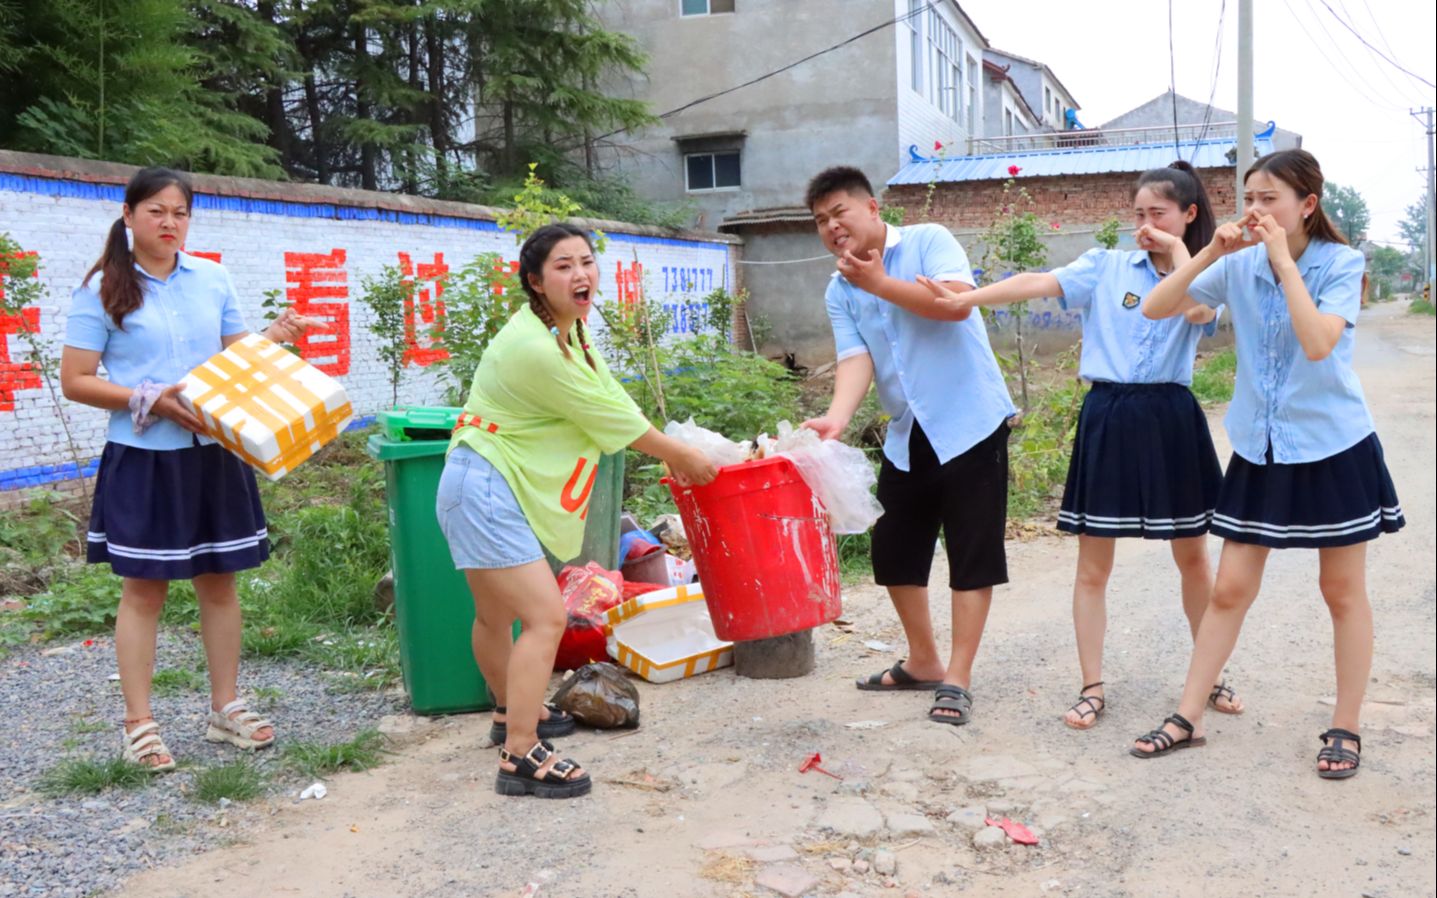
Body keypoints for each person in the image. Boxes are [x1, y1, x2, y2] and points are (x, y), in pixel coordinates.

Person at [919, 161, 1244, 729]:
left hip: (1171, 415)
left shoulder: (1207, 273)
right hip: (1109, 414)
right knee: (1093, 565)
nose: (1144, 223)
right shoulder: (1107, 265)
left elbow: (1197, 310)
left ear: (1189, 215)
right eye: (1138, 213)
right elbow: (1036, 282)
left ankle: (1209, 676)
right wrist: (966, 299)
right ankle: (1092, 686)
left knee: (1192, 556)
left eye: (1158, 214)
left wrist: (1179, 251)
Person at [1135, 149, 1404, 778]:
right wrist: (1207, 254)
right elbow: (1155, 308)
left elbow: (1317, 344)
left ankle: (1345, 725)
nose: (1254, 212)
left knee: (1340, 591)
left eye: (1268, 200)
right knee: (1228, 589)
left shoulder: (1341, 263)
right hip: (1260, 448)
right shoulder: (1237, 265)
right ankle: (1188, 715)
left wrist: (1282, 261)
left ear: (1306, 205)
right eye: (1248, 199)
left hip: (1333, 446)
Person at [438, 222, 716, 799]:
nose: (580, 274)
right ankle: (521, 754)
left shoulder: (570, 334)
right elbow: (609, 421)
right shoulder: (536, 348)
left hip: (481, 482)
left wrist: (673, 446)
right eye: (563, 266)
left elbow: (611, 395)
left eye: (586, 262)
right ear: (536, 283)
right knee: (546, 618)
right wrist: (684, 455)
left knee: (494, 616)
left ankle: (506, 713)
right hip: (486, 489)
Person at [60, 167, 318, 771]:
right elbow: (77, 380)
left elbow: (234, 361)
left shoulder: (212, 278)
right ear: (128, 216)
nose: (169, 222)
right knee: (144, 590)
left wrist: (272, 338)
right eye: (156, 211)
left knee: (220, 580)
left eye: (179, 212)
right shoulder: (100, 289)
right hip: (145, 457)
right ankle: (139, 724)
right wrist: (148, 397)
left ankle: (225, 707)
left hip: (214, 454)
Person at [801, 166, 1015, 727]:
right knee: (894, 549)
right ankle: (924, 660)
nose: (831, 227)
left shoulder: (929, 241)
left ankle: (958, 678)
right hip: (908, 431)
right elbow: (857, 357)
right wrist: (836, 418)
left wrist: (878, 284)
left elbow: (956, 305)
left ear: (871, 208)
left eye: (838, 213)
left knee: (972, 553)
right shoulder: (838, 286)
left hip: (970, 419)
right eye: (820, 221)